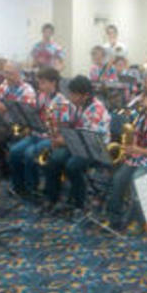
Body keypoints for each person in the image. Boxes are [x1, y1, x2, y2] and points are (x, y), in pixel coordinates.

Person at [107, 87, 147, 230]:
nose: (144, 103)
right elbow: (135, 136)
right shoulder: (143, 118)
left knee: (138, 181)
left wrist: (137, 149)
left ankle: (139, 220)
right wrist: (129, 147)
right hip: (138, 157)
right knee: (118, 179)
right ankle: (114, 218)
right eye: (144, 99)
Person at [42, 75, 111, 211]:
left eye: (73, 95)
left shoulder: (96, 110)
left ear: (85, 95)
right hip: (79, 144)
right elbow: (76, 131)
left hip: (96, 148)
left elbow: (87, 139)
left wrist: (64, 141)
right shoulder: (80, 105)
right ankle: (51, 198)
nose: (70, 98)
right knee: (54, 159)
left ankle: (78, 202)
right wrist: (60, 136)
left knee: (72, 166)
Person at [8, 66, 71, 198]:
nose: (40, 86)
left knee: (29, 153)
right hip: (36, 134)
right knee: (14, 151)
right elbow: (31, 113)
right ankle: (19, 187)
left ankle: (33, 188)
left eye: (43, 83)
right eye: (39, 83)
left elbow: (64, 127)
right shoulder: (40, 96)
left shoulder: (62, 102)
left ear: (53, 83)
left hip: (51, 138)